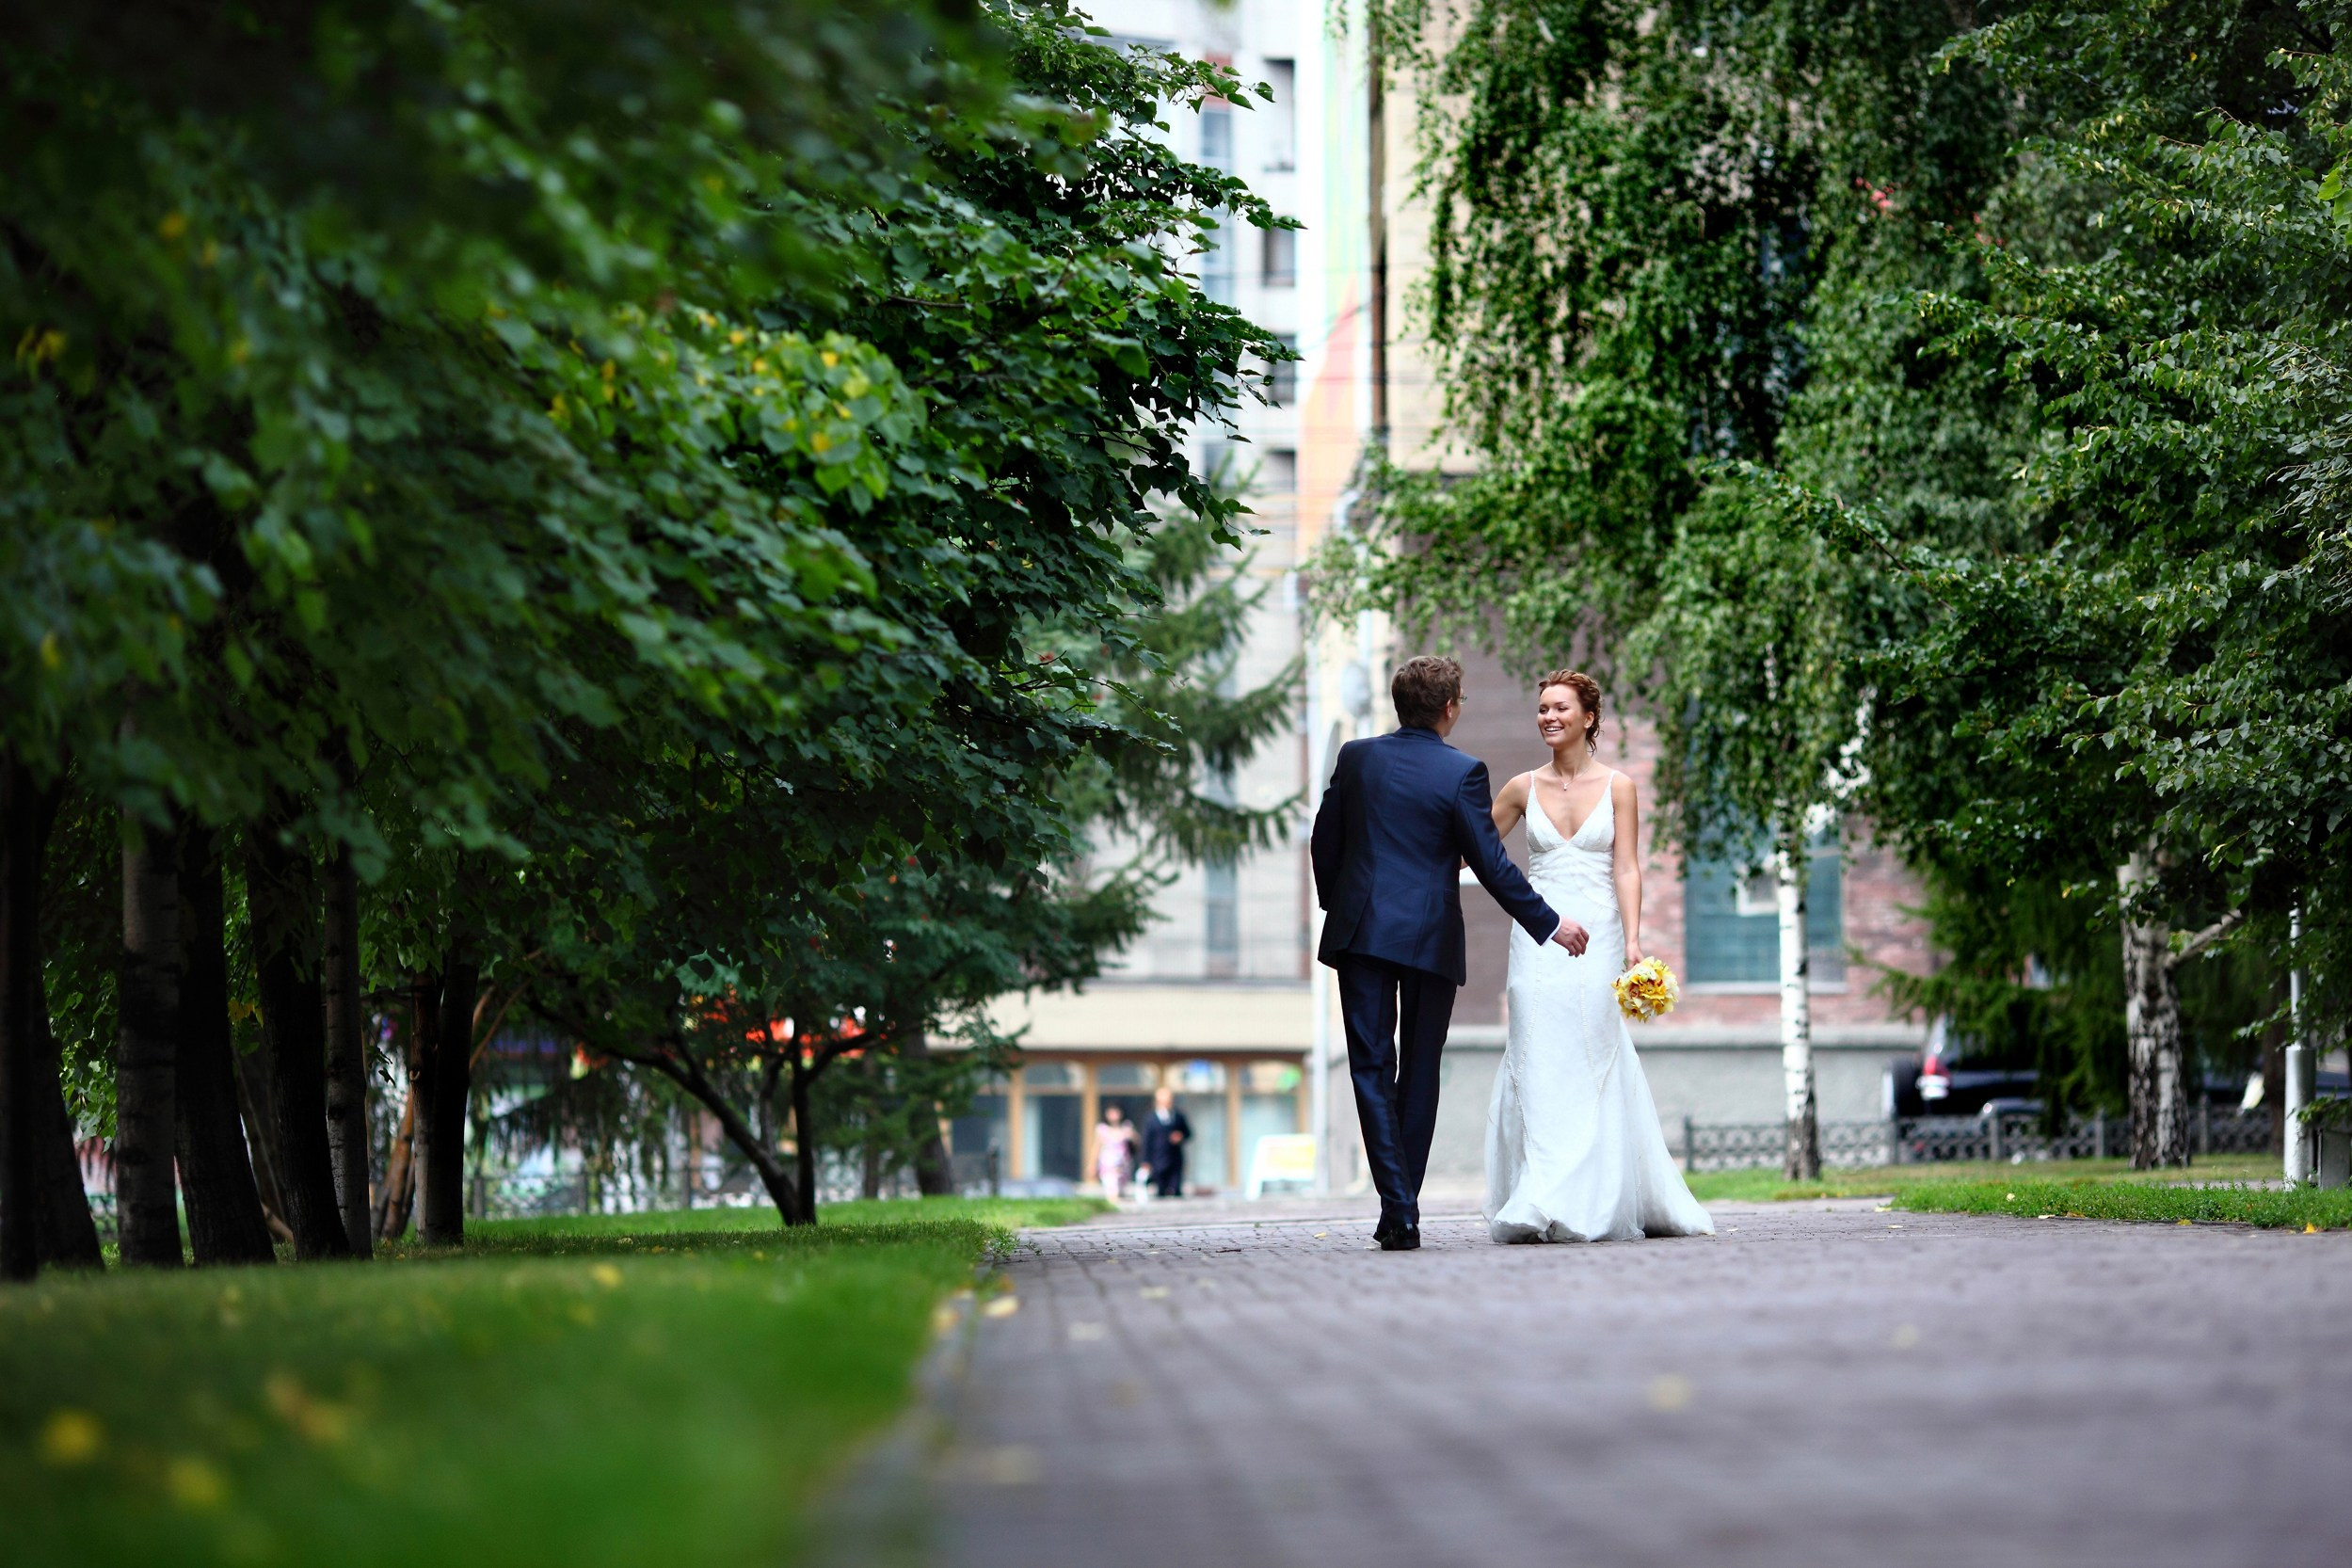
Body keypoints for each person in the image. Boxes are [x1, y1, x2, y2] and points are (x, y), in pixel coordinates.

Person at [1310, 656, 1587, 1252]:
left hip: (1360, 934)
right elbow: (1491, 864)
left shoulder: (1356, 757)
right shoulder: (1463, 772)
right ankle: (1402, 1206)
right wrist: (1549, 923)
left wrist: (1340, 902)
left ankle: (1398, 1207)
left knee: (1369, 1068)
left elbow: (1323, 836)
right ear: (1450, 707)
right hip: (1429, 934)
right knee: (1420, 1071)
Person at [1482, 670, 1714, 1242]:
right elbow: (1476, 854)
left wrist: (1633, 941)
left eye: (1559, 707)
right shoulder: (1519, 788)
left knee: (1593, 1054)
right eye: (1541, 709)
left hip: (1601, 935)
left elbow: (1627, 867)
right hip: (1536, 938)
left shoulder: (1619, 787)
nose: (1547, 717)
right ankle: (1538, 1192)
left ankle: (1591, 1196)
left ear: (1588, 718)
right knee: (1537, 1052)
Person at [1141, 1087, 1192, 1199]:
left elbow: (1188, 1133)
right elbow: (1146, 1141)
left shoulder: (1178, 1116)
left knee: (1176, 1190)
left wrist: (1181, 1136)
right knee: (1160, 1191)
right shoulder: (1151, 1119)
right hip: (1158, 1160)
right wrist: (1146, 1161)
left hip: (1175, 1159)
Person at [1090, 1102, 1138, 1200]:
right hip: (1108, 1165)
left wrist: (1132, 1135)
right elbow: (1096, 1147)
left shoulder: (1126, 1127)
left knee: (1120, 1191)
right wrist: (1092, 1165)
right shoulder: (1102, 1129)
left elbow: (1137, 1143)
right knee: (1112, 1189)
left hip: (1123, 1165)